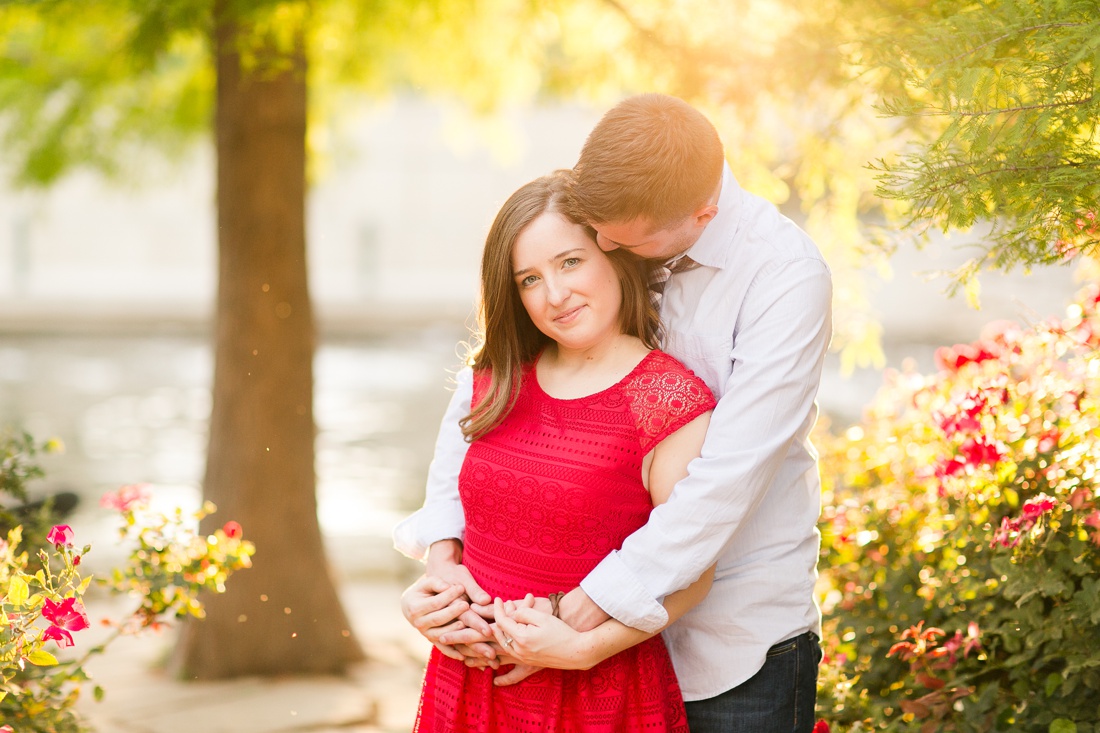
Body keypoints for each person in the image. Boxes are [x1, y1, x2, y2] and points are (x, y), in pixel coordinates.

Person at [396, 94, 833, 733]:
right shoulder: (625, 213)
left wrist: (575, 631)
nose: (599, 244)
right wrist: (445, 582)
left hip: (733, 641)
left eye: (602, 247)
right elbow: (468, 444)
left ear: (700, 215)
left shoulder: (784, 280)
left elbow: (721, 487)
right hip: (542, 650)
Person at [406, 169, 718, 732]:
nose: (554, 295)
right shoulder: (492, 379)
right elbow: (447, 512)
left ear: (614, 254)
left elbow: (693, 574)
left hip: (595, 694)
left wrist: (585, 648)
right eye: (529, 279)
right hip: (468, 683)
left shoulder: (666, 399)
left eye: (570, 262)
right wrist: (435, 599)